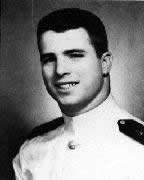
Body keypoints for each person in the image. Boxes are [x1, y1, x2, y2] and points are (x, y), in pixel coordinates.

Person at [13, 8, 144, 180]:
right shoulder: (30, 153)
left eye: (75, 55)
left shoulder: (138, 150)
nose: (60, 70)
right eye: (49, 59)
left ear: (105, 63)